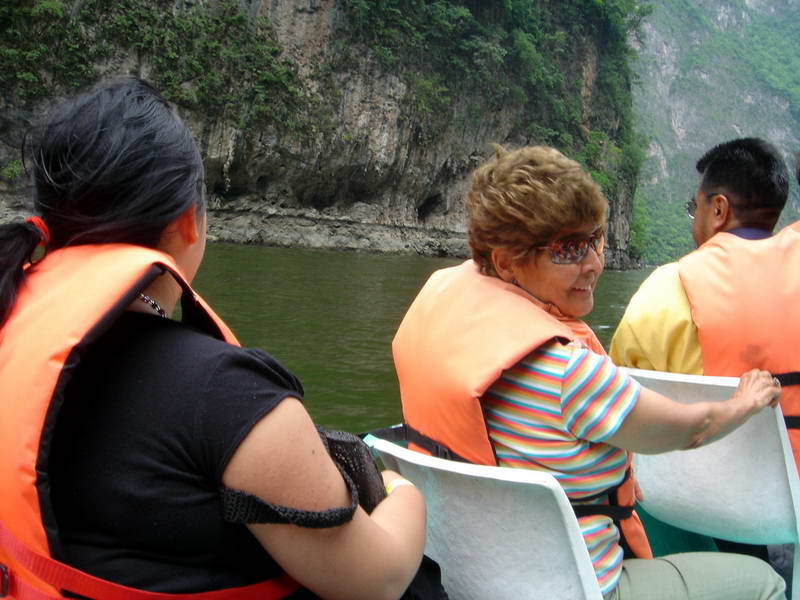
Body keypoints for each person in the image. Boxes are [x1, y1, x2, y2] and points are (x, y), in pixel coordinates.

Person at [0, 78, 427, 600]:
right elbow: (376, 582)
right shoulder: (224, 394)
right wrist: (402, 490)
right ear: (187, 223)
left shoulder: (10, 329)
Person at [391, 144, 786, 599]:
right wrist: (745, 401)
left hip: (477, 575)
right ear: (505, 261)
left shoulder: (440, 309)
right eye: (568, 250)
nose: (594, 264)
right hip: (580, 585)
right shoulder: (567, 372)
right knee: (765, 582)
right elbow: (691, 431)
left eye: (594, 239)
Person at [610, 137, 798, 577]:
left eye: (693, 208)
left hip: (691, 505)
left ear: (718, 210)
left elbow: (619, 395)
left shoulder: (666, 287)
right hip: (791, 506)